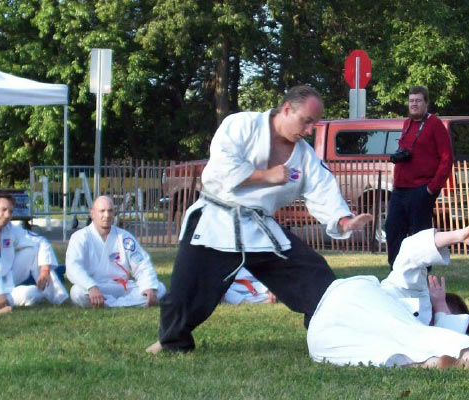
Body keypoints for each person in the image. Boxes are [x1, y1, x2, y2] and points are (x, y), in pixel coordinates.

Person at [147, 85, 372, 354]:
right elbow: (219, 167)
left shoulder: (304, 156)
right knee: (186, 292)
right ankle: (171, 342)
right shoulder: (242, 124)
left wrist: (344, 220)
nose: (311, 130)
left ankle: (325, 332)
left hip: (260, 229)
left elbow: (322, 188)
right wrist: (266, 176)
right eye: (307, 121)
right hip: (215, 221)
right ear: (287, 109)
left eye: (315, 123)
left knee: (316, 276)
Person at [307, 225, 469, 369]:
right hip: (351, 299)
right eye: (443, 314)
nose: (440, 318)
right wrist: (457, 235)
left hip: (324, 335)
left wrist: (440, 306)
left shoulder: (416, 328)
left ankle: (432, 363)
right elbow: (410, 252)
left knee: (377, 354)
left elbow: (435, 334)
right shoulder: (408, 290)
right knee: (414, 335)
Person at [385, 86, 454, 267]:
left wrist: (432, 188)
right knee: (392, 228)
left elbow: (447, 158)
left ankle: (423, 274)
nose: (413, 104)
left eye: (418, 101)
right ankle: (397, 270)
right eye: (411, 101)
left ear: (426, 103)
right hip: (400, 189)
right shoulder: (407, 124)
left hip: (421, 189)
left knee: (420, 235)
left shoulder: (435, 124)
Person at [66, 195, 166, 308]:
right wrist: (91, 287)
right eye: (102, 211)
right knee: (77, 292)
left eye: (110, 211)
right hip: (95, 286)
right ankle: (128, 303)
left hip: (121, 286)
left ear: (114, 213)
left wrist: (148, 286)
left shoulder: (124, 237)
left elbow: (142, 263)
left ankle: (109, 304)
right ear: (92, 213)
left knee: (159, 288)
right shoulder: (80, 237)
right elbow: (73, 267)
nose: (107, 215)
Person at [0, 194, 68, 313]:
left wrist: (45, 270)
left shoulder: (10, 229)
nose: (7, 215)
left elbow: (41, 241)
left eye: (10, 212)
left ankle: (56, 296)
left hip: (6, 281)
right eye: (3, 210)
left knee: (34, 291)